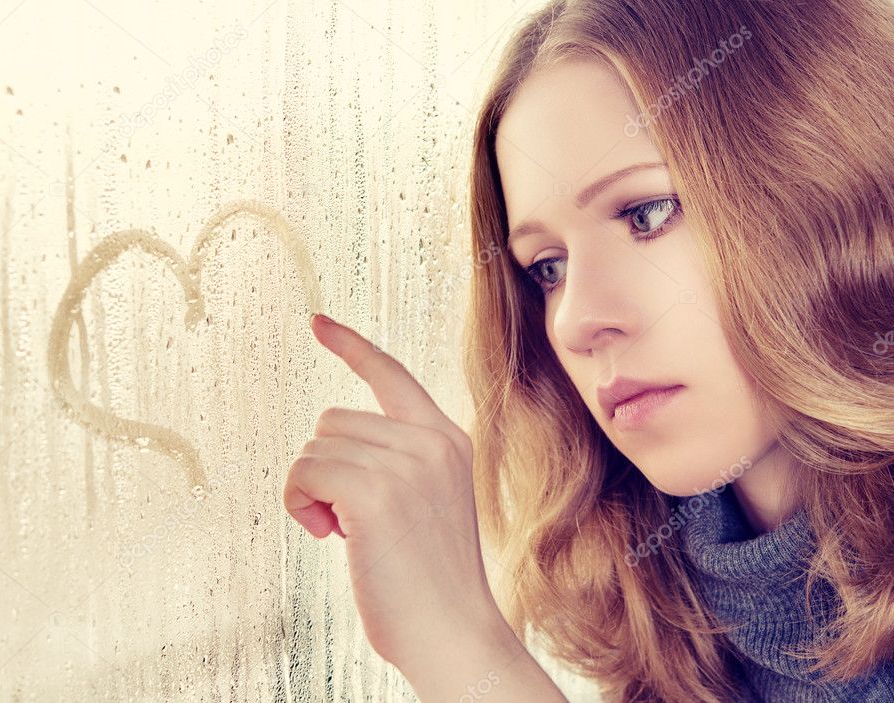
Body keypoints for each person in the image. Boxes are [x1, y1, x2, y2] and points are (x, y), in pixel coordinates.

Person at [283, 1, 894, 701]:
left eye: (646, 213)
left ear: (831, 189)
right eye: (547, 267)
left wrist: (457, 641)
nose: (575, 319)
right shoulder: (662, 606)